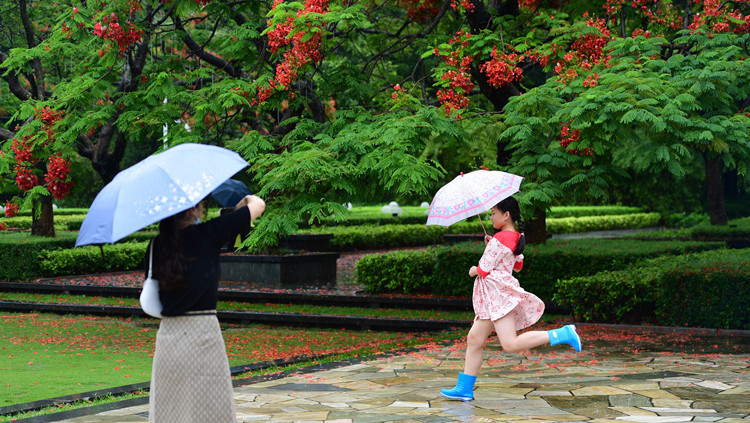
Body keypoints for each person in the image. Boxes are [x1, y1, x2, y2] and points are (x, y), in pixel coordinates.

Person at [441, 196, 581, 402]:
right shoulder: (514, 236)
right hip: (494, 298)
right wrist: (493, 244)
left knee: (510, 344)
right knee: (474, 340)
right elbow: (517, 265)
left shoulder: (500, 239)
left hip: (497, 297)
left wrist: (473, 269)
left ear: (506, 215)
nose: (490, 217)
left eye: (493, 213)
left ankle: (562, 334)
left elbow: (482, 269)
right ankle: (464, 388)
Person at [146, 194, 266, 423]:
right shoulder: (210, 233)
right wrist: (242, 203)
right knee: (210, 411)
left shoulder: (156, 245)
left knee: (170, 411)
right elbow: (258, 204)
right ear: (192, 210)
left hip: (169, 338)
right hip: (203, 334)